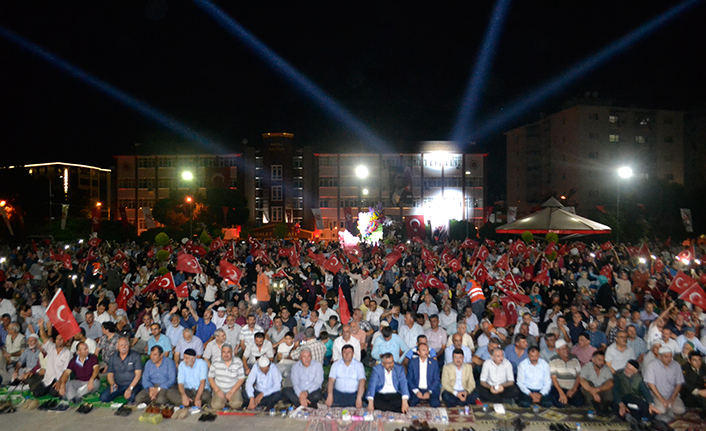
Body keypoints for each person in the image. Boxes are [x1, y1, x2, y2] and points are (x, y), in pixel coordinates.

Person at [26, 320, 71, 397]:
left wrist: (60, 381)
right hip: (48, 379)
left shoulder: (68, 353)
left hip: (60, 379)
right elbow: (44, 337)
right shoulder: (51, 347)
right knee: (36, 393)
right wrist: (41, 326)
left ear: (65, 341)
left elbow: (66, 371)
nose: (59, 341)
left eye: (61, 339)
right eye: (57, 339)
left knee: (54, 393)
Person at [644, 346, 686, 422]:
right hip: (657, 395)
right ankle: (666, 411)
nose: (669, 359)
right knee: (661, 410)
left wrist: (672, 399)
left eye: (670, 357)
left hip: (672, 395)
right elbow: (651, 384)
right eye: (666, 357)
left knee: (681, 410)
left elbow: (679, 383)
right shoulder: (651, 365)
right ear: (659, 356)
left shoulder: (676, 365)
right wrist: (662, 400)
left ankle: (669, 410)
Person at [100, 337, 143, 403]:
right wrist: (112, 384)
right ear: (117, 347)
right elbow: (110, 374)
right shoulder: (113, 357)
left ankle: (128, 392)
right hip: (118, 385)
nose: (124, 347)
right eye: (121, 345)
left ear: (129, 345)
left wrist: (130, 388)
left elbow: (138, 375)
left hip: (133, 385)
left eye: (126, 344)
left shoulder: (135, 356)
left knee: (131, 398)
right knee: (104, 398)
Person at [208, 343, 246, 410]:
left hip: (233, 388)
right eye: (224, 352)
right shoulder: (215, 361)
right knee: (216, 405)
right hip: (219, 388)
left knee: (236, 404)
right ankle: (225, 401)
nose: (226, 354)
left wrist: (231, 391)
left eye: (228, 352)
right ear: (221, 352)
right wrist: (217, 390)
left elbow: (241, 378)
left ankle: (229, 401)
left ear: (232, 352)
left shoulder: (238, 362)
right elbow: (210, 377)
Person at [549, 339, 584, 407]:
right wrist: (561, 393)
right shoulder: (553, 360)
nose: (565, 350)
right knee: (559, 404)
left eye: (566, 348)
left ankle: (567, 399)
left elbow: (579, 375)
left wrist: (574, 389)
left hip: (572, 387)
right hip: (560, 388)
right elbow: (553, 378)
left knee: (579, 403)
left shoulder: (574, 359)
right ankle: (565, 399)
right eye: (562, 349)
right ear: (557, 351)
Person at [578, 350, 613, 415]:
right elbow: (582, 380)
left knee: (608, 384)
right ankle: (596, 407)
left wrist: (598, 389)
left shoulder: (606, 368)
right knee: (587, 384)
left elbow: (610, 382)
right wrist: (593, 392)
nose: (602, 362)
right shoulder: (587, 367)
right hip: (591, 393)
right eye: (599, 360)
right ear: (593, 359)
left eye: (603, 360)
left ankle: (605, 407)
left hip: (601, 391)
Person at [407, 343, 441, 407]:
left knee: (435, 404)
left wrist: (429, 392)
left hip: (430, 389)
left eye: (427, 350)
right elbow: (409, 379)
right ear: (418, 352)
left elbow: (437, 380)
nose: (426, 352)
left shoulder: (434, 363)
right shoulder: (412, 362)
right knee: (412, 402)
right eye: (423, 350)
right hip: (417, 388)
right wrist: (416, 391)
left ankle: (426, 397)